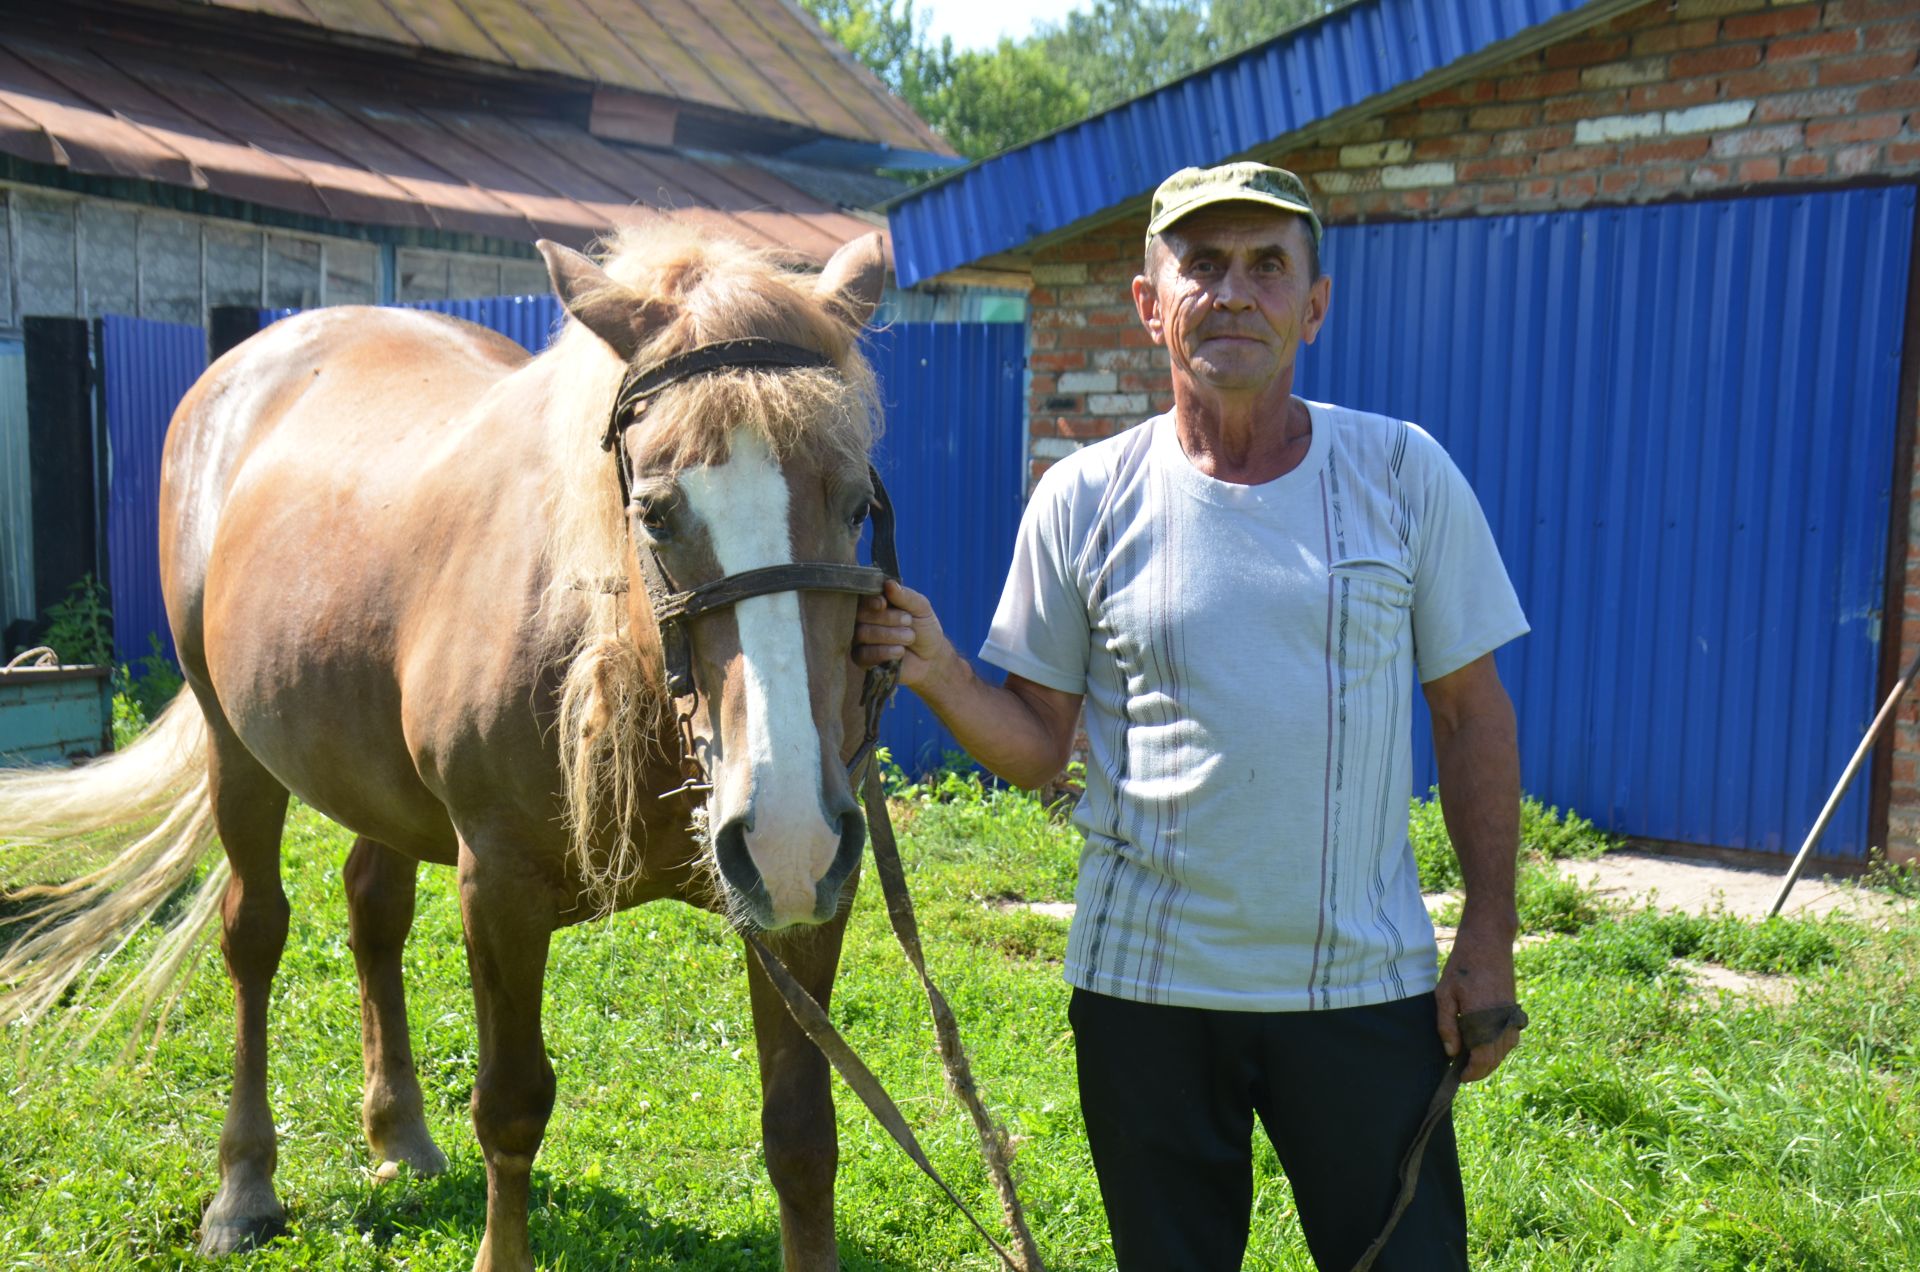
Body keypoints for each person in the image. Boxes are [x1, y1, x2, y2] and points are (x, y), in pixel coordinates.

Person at [855, 162, 1527, 1270]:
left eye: (1268, 266)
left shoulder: (1403, 474)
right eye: (1202, 265)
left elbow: (1470, 716)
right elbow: (1037, 744)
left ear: (1315, 303)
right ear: (1149, 302)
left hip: (1360, 992)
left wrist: (1489, 934)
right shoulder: (1084, 496)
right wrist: (933, 668)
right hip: (1148, 1000)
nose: (1234, 292)